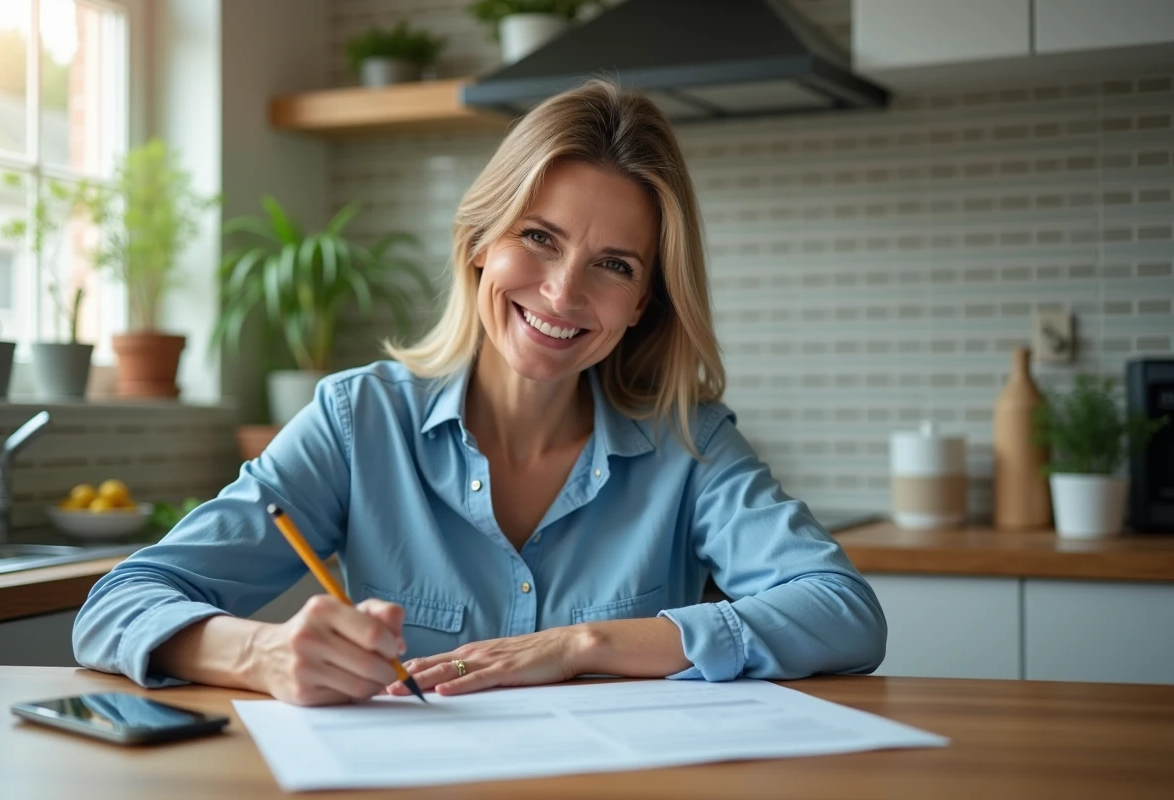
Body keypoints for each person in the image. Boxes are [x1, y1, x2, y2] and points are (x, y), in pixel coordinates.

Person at [73, 79, 886, 706]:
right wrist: (263, 654)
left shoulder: (690, 443)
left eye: (613, 264)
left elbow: (844, 612)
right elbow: (116, 604)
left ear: (643, 303)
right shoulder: (360, 420)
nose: (564, 293)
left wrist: (584, 645)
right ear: (478, 247)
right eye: (539, 238)